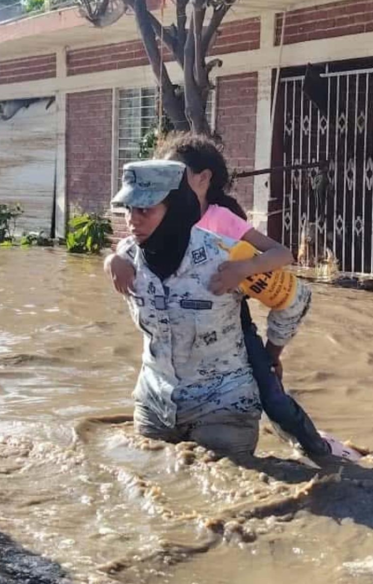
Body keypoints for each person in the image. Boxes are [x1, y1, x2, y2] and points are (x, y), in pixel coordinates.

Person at [105, 134, 359, 463]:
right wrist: (110, 260)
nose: (132, 219)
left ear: (174, 208)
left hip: (223, 408)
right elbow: (117, 253)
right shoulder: (128, 258)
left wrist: (272, 352)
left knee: (237, 470)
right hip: (155, 406)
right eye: (128, 209)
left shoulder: (224, 255)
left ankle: (322, 455)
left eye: (144, 209)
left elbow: (296, 299)